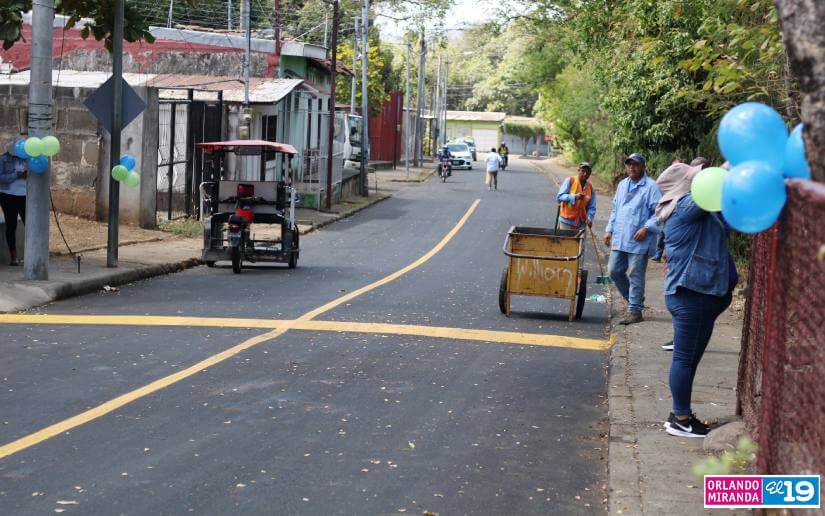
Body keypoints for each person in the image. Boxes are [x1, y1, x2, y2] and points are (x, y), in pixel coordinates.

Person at [655, 162, 737, 438]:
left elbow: (726, 221)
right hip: (692, 295)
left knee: (689, 359)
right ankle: (680, 418)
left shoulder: (699, 210)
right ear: (685, 185)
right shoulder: (684, 206)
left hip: (699, 297)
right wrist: (731, 164)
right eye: (696, 176)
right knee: (684, 359)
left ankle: (681, 415)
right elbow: (716, 184)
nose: (703, 177)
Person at [659, 157, 712, 351]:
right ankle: (680, 339)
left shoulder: (673, 206)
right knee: (684, 357)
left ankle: (681, 339)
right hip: (686, 280)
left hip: (685, 279)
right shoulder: (685, 207)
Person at [604, 153, 662, 325]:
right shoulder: (622, 185)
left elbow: (659, 212)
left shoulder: (651, 187)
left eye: (636, 164)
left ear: (643, 166)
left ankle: (635, 311)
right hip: (620, 236)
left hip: (639, 239)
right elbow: (615, 209)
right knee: (614, 271)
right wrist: (609, 230)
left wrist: (647, 228)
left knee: (636, 274)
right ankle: (635, 300)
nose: (632, 167)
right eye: (629, 164)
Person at [0, 141, 27, 266]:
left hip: (25, 196)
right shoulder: (4, 159)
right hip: (8, 196)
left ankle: (30, 253)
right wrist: (16, 175)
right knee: (11, 225)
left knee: (30, 225)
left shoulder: (29, 159)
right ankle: (13, 256)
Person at [555, 162, 596, 230]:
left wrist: (589, 218)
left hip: (581, 224)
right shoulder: (570, 180)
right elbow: (559, 197)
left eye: (588, 172)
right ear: (578, 170)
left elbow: (592, 207)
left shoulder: (590, 187)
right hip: (566, 222)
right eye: (583, 171)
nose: (585, 174)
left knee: (579, 241)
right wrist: (574, 197)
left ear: (590, 174)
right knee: (566, 241)